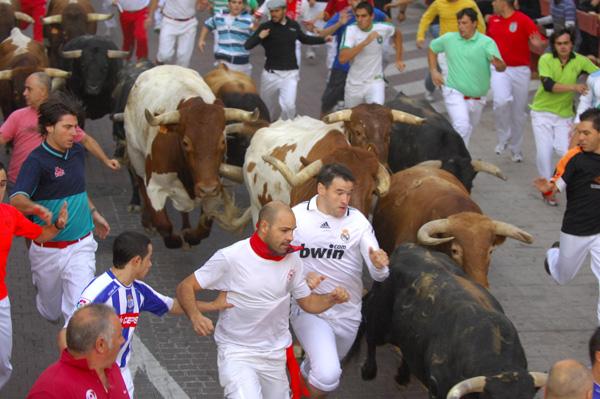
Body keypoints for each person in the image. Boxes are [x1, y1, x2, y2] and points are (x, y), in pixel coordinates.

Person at [176, 201, 350, 398]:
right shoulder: (231, 257)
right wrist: (195, 316)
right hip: (237, 352)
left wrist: (331, 298)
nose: (290, 237)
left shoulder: (293, 260)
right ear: (264, 227)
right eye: (284, 230)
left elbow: (308, 303)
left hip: (275, 355)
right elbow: (185, 286)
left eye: (292, 231)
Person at [56, 231, 231, 398]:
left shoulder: (139, 290)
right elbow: (65, 335)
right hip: (93, 375)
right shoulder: (98, 293)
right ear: (136, 261)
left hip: (121, 375)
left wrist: (213, 305)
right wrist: (80, 374)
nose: (151, 264)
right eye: (149, 259)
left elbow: (174, 305)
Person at [10, 92, 111, 324]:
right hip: (47, 251)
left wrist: (94, 214)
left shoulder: (76, 151)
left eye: (76, 127)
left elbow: (77, 190)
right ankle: (46, 302)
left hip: (81, 246)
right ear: (48, 127)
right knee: (51, 311)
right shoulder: (36, 162)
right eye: (67, 127)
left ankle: (73, 355)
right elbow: (16, 199)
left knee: (78, 314)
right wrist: (38, 209)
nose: (74, 133)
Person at [290, 164, 389, 398]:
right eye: (339, 192)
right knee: (327, 375)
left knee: (322, 370)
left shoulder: (358, 222)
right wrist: (302, 277)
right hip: (309, 308)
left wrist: (379, 265)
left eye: (349, 193)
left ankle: (301, 379)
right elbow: (277, 258)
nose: (346, 199)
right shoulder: (296, 216)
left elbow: (379, 275)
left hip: (348, 313)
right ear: (321, 189)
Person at [0, 161, 68, 390]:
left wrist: (57, 226)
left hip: (1, 301)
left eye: (1, 185)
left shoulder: (9, 214)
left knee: (3, 363)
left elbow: (41, 235)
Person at [535, 108, 600, 323]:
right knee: (562, 277)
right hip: (576, 228)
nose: (580, 138)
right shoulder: (574, 159)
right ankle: (553, 255)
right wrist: (547, 188)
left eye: (586, 133)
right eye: (578, 132)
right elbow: (555, 188)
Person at [0, 72, 120, 188]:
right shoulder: (17, 116)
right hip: (18, 183)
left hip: (47, 185)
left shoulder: (59, 117)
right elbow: (1, 138)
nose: (24, 93)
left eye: (29, 89)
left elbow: (86, 141)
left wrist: (106, 160)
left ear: (42, 91)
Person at [529, 28, 598, 205]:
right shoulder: (546, 59)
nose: (563, 47)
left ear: (571, 44)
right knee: (544, 153)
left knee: (566, 152)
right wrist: (575, 87)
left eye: (566, 43)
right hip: (542, 112)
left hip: (564, 115)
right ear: (554, 45)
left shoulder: (580, 60)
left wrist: (594, 61)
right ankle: (548, 191)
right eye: (559, 43)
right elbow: (548, 85)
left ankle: (562, 183)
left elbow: (597, 75)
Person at [428, 7, 506, 147]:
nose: (460, 27)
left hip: (478, 98)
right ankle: (458, 162)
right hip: (453, 91)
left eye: (464, 23)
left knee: (467, 129)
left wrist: (499, 65)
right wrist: (434, 70)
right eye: (459, 23)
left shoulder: (486, 42)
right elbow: (432, 48)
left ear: (475, 23)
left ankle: (455, 153)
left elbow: (501, 67)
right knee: (462, 126)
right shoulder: (449, 39)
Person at [245, 0, 328, 120]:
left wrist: (324, 39)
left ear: (284, 10)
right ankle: (268, 127)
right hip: (270, 75)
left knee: (289, 107)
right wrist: (259, 37)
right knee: (266, 108)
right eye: (272, 11)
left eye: (277, 11)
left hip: (290, 75)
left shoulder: (293, 25)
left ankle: (284, 128)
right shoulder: (265, 27)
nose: (274, 14)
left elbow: (305, 39)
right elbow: (247, 45)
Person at [27, 304, 129, 398]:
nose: (122, 341)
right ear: (101, 345)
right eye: (119, 336)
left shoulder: (111, 368)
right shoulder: (50, 391)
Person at [487, 0, 546, 162]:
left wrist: (538, 44)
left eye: (495, 1)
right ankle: (503, 137)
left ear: (503, 2)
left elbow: (540, 42)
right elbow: (487, 44)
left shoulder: (523, 20)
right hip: (500, 69)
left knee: (518, 112)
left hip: (520, 70)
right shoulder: (493, 20)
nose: (492, 4)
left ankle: (516, 149)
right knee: (501, 101)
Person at [318, 0, 388, 115]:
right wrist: (339, 23)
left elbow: (387, 22)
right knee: (327, 104)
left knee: (365, 110)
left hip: (366, 70)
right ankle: (322, 127)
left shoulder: (374, 13)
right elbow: (322, 34)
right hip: (342, 68)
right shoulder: (343, 15)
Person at [338, 1, 405, 107]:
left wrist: (399, 59)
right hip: (355, 84)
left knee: (377, 115)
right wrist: (365, 42)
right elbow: (342, 58)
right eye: (357, 16)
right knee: (351, 119)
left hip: (375, 81)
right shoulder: (350, 30)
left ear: (372, 16)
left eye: (364, 16)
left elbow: (397, 34)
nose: (360, 20)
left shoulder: (383, 27)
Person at [416, 0, 486, 79]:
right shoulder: (438, 3)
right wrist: (420, 36)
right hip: (446, 48)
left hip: (465, 47)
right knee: (449, 77)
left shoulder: (469, 3)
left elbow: (480, 24)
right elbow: (426, 17)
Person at [199, 0, 254, 75]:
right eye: (234, 2)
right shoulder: (219, 16)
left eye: (239, 3)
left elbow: (256, 37)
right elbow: (207, 25)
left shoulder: (249, 20)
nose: (236, 5)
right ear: (228, 4)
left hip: (242, 64)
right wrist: (201, 40)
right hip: (223, 63)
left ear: (243, 5)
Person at [147, 0, 199, 67]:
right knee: (164, 55)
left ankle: (178, 75)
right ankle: (158, 62)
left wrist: (202, 5)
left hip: (189, 23)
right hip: (169, 21)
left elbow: (200, 7)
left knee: (183, 59)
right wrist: (149, 16)